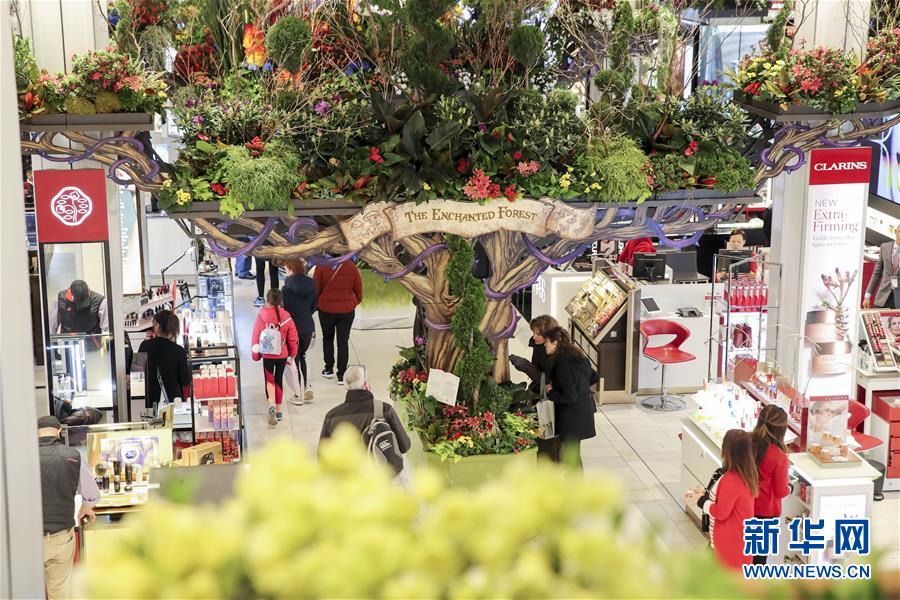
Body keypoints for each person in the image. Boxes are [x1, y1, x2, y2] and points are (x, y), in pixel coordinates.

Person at [37, 415, 100, 599]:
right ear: (58, 431)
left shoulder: (21, 458)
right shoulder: (73, 456)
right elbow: (92, 494)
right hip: (61, 536)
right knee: (60, 590)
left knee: (26, 590)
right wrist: (86, 507)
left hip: (27, 540)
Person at [684, 429, 757, 571]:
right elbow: (725, 499)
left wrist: (700, 500)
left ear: (726, 451)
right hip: (730, 543)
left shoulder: (732, 479)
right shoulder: (744, 474)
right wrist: (705, 494)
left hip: (729, 545)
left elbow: (721, 511)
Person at [318, 365, 411, 474]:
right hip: (378, 478)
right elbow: (405, 446)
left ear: (346, 386)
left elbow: (323, 459)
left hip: (347, 480)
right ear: (366, 385)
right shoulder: (384, 410)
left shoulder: (332, 416)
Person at [543, 327, 597, 470]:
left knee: (570, 455)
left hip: (572, 415)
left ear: (555, 343)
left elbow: (569, 396)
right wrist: (581, 388)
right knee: (572, 452)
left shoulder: (562, 364)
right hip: (582, 410)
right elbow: (594, 376)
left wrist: (551, 391)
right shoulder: (577, 355)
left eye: (547, 342)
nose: (544, 345)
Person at [511, 315, 560, 461]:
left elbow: (546, 379)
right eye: (534, 332)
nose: (534, 336)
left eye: (538, 334)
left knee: (549, 434)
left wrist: (526, 366)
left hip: (549, 398)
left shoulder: (554, 353)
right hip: (538, 393)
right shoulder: (539, 346)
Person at [750, 405, 791, 565]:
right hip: (766, 512)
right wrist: (790, 488)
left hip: (744, 506)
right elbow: (781, 491)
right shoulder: (778, 456)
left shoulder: (747, 442)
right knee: (759, 559)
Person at [251, 289, 299, 426]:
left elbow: (255, 335)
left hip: (267, 354)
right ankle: (278, 410)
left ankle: (270, 404)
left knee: (269, 380)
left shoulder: (262, 315)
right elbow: (293, 338)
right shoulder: (287, 316)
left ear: (267, 300)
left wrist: (256, 353)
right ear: (281, 300)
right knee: (278, 380)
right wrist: (292, 354)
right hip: (282, 354)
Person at [314, 260, 363, 384]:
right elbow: (358, 289)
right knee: (343, 341)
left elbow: (316, 289)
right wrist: (353, 303)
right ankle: (342, 374)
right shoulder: (351, 266)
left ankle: (328, 368)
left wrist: (318, 303)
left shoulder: (321, 265)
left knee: (327, 338)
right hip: (347, 310)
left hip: (326, 309)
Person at [137, 311, 191, 410]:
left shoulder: (144, 345)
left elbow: (136, 374)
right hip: (174, 403)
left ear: (157, 324)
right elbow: (185, 380)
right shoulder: (179, 350)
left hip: (149, 401)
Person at [282, 259, 317, 404]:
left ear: (290, 269)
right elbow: (314, 306)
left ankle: (297, 395)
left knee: (293, 359)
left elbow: (284, 310)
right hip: (307, 326)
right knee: (303, 355)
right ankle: (307, 385)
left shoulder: (286, 288)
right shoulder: (312, 285)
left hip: (292, 328)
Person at [864, 227, 899, 309]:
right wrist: (867, 296)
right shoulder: (884, 247)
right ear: (895, 232)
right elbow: (877, 273)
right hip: (883, 298)